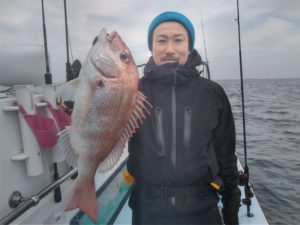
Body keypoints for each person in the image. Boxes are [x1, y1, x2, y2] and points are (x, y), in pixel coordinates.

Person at [127, 11, 241, 225]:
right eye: (161, 40)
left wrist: (231, 214)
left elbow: (226, 159)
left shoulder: (213, 94)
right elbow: (104, 129)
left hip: (202, 209)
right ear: (151, 47)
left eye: (178, 40)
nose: (170, 48)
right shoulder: (132, 92)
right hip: (146, 211)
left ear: (189, 46)